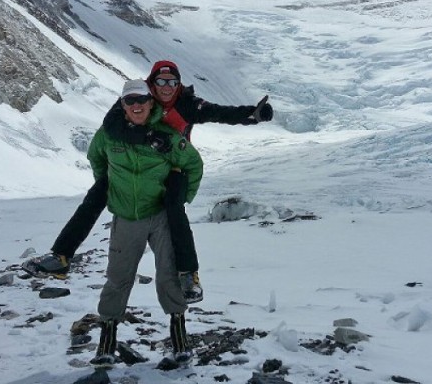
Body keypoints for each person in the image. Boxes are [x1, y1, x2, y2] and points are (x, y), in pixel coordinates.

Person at [22, 60, 274, 304]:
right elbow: (111, 126)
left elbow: (219, 113)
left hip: (174, 165)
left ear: (178, 84)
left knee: (175, 209)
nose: (166, 86)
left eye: (172, 81)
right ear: (152, 82)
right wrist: (145, 139)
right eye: (161, 81)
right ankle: (61, 256)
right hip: (134, 165)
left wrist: (252, 115)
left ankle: (188, 274)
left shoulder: (187, 104)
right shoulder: (137, 95)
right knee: (95, 197)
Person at [88, 79, 203, 367]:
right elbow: (96, 159)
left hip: (160, 216)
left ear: (151, 102)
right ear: (123, 105)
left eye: (141, 99)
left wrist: (178, 201)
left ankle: (179, 341)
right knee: (118, 278)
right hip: (126, 218)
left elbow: (193, 163)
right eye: (130, 101)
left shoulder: (165, 135)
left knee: (169, 274)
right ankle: (106, 345)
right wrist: (111, 188)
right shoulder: (108, 135)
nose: (136, 105)